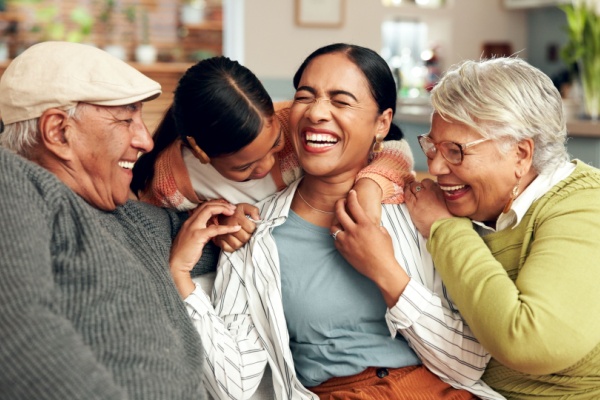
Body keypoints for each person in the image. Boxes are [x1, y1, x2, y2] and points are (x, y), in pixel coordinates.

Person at [169, 43, 503, 400]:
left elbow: (467, 364)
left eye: (341, 101)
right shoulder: (251, 233)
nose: (316, 113)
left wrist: (385, 270)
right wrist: (178, 275)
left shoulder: (424, 210)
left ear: (382, 123)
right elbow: (232, 385)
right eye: (304, 97)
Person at [0, 41, 240, 399]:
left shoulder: (130, 217)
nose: (145, 140)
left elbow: (223, 236)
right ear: (58, 132)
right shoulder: (14, 183)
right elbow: (18, 330)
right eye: (126, 119)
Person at [395, 57, 600, 399]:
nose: (434, 165)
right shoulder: (474, 202)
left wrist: (445, 230)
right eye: (431, 146)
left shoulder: (584, 205)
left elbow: (531, 340)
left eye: (455, 151)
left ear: (520, 154)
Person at [131, 56, 415, 251]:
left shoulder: (295, 122)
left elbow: (393, 144)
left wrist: (371, 185)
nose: (267, 165)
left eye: (275, 144)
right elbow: (173, 232)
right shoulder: (170, 182)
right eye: (245, 167)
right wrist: (218, 224)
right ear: (200, 152)